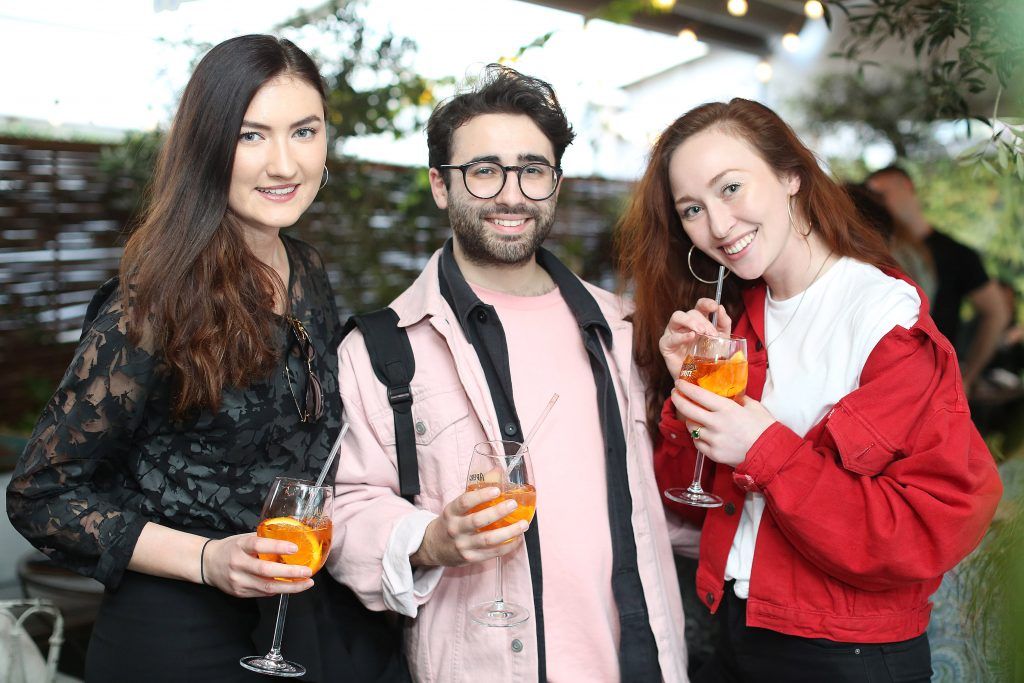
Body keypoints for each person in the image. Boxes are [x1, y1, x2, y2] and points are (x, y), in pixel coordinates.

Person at [6, 35, 398, 683]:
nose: (283, 163)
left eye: (304, 131)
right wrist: (208, 557)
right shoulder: (153, 299)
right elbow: (42, 494)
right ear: (209, 147)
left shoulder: (307, 271)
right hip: (174, 635)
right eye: (251, 136)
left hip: (291, 616)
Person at [616, 98, 1003, 682]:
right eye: (692, 208)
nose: (717, 226)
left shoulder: (883, 321)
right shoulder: (735, 324)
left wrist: (764, 447)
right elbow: (684, 498)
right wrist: (684, 393)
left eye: (730, 188)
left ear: (792, 176)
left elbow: (929, 531)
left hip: (846, 655)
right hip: (737, 631)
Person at [326, 64, 690, 682]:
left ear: (555, 183)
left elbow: (678, 498)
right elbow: (344, 508)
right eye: (484, 171)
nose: (511, 194)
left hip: (642, 662)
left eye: (532, 170)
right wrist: (430, 539)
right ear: (441, 186)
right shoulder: (383, 348)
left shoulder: (627, 330)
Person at [865, 165, 1010, 394]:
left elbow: (996, 312)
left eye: (882, 194)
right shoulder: (872, 253)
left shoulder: (956, 253)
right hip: (886, 382)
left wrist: (967, 377)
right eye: (871, 198)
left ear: (908, 187)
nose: (878, 203)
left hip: (934, 385)